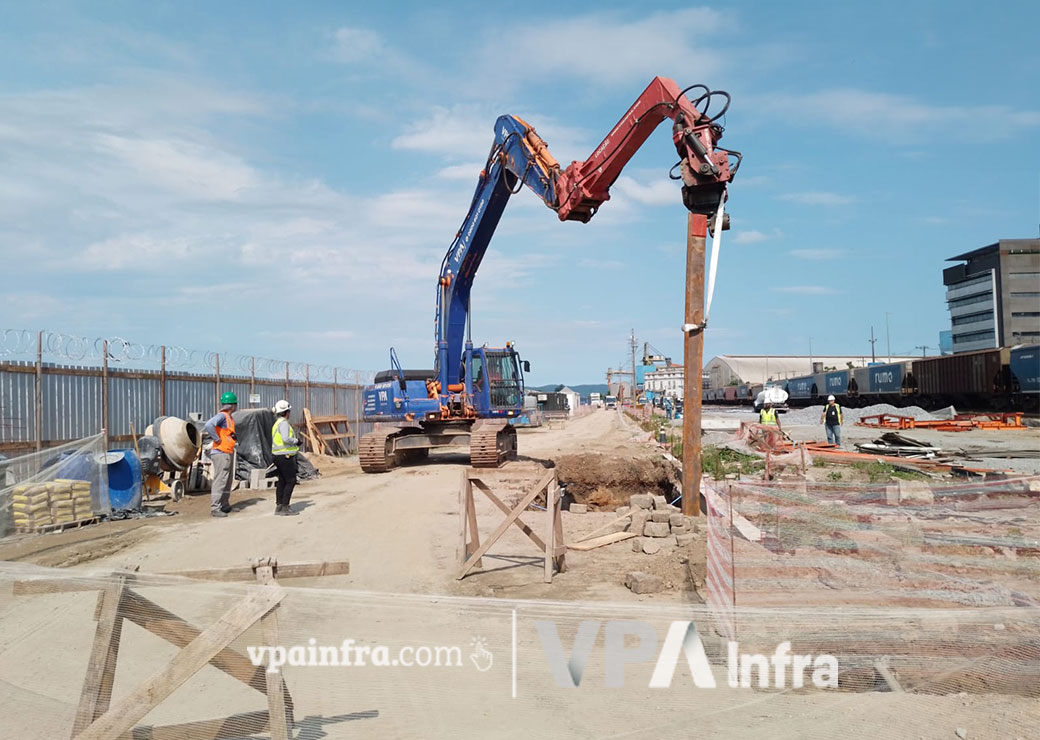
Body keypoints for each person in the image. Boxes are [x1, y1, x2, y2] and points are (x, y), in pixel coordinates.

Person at [204, 392, 238, 517]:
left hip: (227, 452)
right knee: (220, 480)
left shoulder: (228, 418)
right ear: (233, 405)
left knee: (227, 480)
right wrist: (217, 439)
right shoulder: (222, 416)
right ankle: (215, 507)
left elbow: (226, 433)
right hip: (220, 452)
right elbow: (208, 425)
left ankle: (224, 505)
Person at [271, 399, 302, 516]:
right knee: (291, 480)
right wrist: (296, 441)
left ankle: (279, 506)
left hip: (278, 456)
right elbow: (285, 438)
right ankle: (285, 506)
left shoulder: (277, 423)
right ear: (286, 412)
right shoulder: (283, 423)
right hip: (285, 456)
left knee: (282, 481)